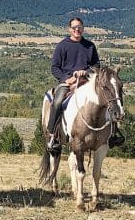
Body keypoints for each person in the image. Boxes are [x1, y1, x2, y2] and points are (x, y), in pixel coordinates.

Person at [45, 17, 125, 152]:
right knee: (57, 102)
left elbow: (96, 65)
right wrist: (66, 79)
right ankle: (53, 136)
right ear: (69, 29)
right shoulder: (62, 46)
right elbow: (55, 68)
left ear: (83, 28)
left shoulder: (90, 46)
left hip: (88, 82)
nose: (77, 30)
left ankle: (113, 132)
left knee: (109, 98)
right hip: (67, 83)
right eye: (74, 27)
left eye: (80, 27)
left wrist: (86, 72)